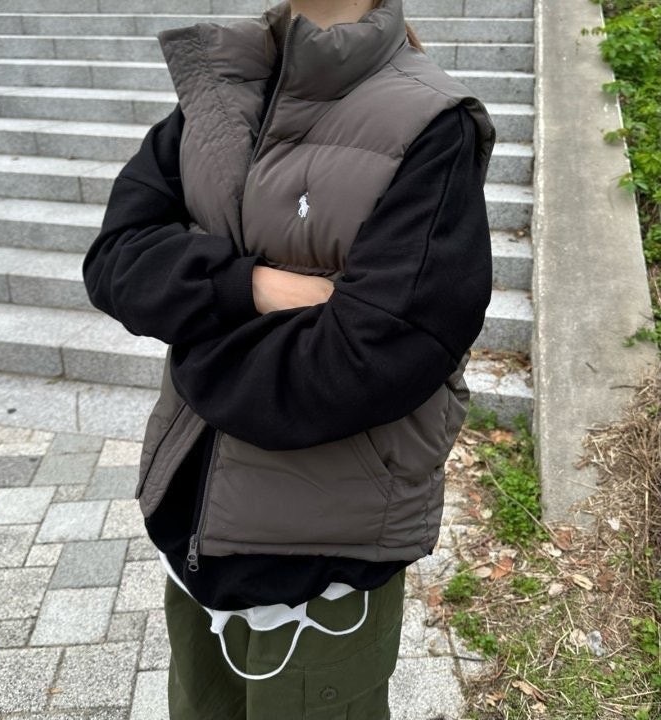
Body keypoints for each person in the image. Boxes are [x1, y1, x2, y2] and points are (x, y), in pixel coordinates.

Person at [83, 0, 495, 717]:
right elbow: (116, 260)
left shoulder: (432, 122)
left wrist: (194, 331)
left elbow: (371, 357)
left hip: (324, 572)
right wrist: (254, 286)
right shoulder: (222, 88)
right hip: (193, 536)